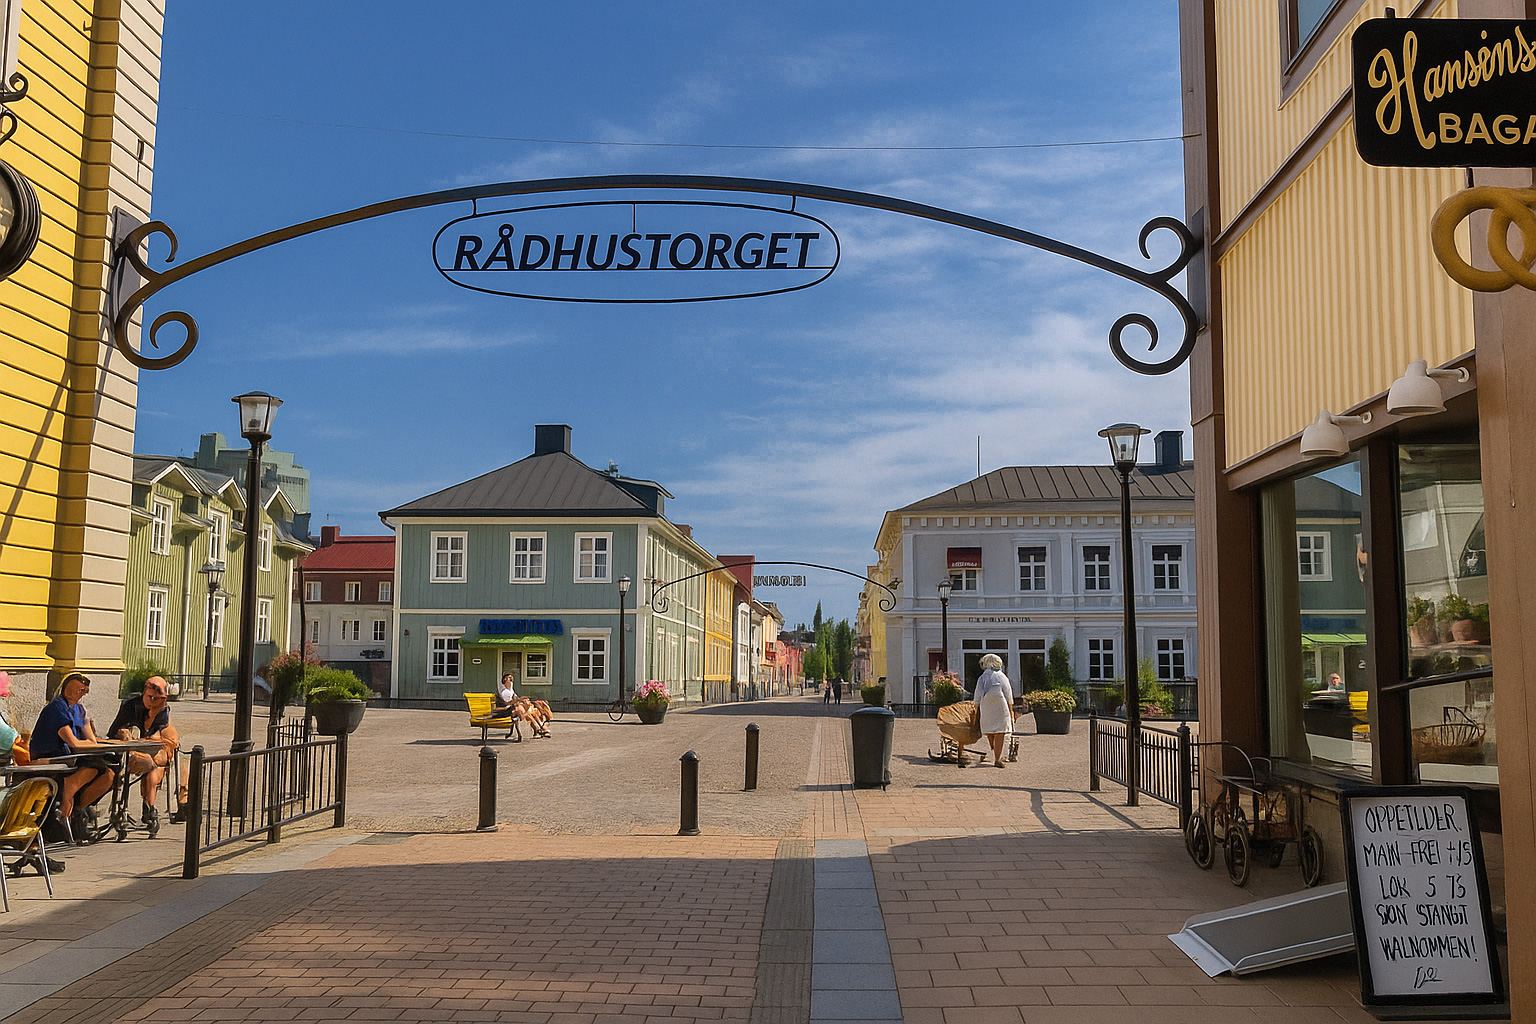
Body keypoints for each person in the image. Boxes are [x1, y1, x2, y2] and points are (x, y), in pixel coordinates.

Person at [30, 672, 117, 839]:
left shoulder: (79, 709)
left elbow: (91, 739)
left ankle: (78, 811)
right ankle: (69, 790)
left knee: (109, 774)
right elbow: (73, 743)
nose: (83, 693)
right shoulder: (56, 708)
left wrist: (89, 730)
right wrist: (90, 743)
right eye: (80, 689)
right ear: (68, 690)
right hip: (53, 757)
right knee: (93, 766)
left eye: (85, 690)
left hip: (70, 757)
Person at [108, 675, 179, 833]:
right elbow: (114, 731)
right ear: (144, 692)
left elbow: (158, 734)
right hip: (129, 751)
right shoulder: (130, 706)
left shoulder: (162, 708)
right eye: (150, 696)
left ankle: (149, 808)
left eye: (158, 697)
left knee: (154, 767)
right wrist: (123, 732)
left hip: (150, 751)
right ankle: (122, 807)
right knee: (134, 763)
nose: (153, 699)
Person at [974, 653, 1015, 769]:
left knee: (989, 730)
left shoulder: (982, 677)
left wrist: (976, 707)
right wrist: (1011, 709)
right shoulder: (1001, 676)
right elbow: (1008, 693)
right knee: (1000, 731)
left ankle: (995, 751)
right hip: (1000, 705)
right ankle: (997, 758)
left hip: (986, 705)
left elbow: (977, 694)